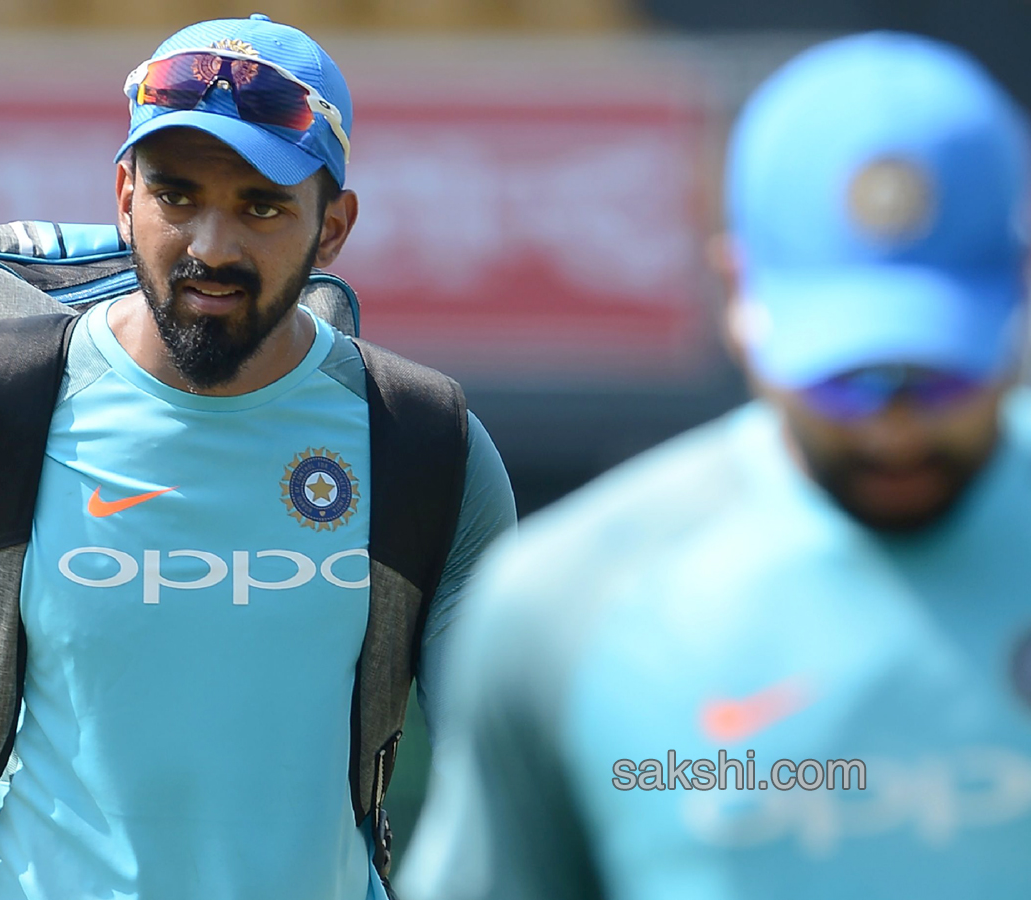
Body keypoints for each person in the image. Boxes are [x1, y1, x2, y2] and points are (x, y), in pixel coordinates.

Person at [0, 15, 515, 900]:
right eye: (177, 195)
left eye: (261, 206)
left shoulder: (425, 441)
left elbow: (505, 769)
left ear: (334, 227)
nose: (212, 247)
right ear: (125, 197)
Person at [399, 31, 1031, 900]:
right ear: (739, 297)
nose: (893, 432)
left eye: (941, 373)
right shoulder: (565, 607)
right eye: (844, 380)